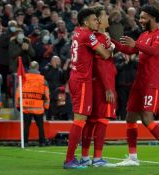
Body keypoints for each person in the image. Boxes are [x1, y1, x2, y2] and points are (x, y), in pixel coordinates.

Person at [111, 5, 159, 167]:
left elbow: (154, 51)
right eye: (140, 17)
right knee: (130, 118)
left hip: (151, 83)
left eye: (143, 17)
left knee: (147, 118)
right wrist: (110, 42)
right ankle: (133, 157)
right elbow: (129, 50)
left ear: (153, 18)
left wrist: (136, 44)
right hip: (139, 83)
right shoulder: (143, 35)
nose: (140, 20)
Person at [63, 8, 111, 169]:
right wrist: (110, 47)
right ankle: (69, 160)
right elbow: (104, 54)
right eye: (93, 19)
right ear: (85, 22)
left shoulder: (77, 32)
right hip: (82, 80)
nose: (97, 22)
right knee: (79, 121)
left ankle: (74, 158)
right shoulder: (87, 34)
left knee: (80, 120)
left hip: (76, 77)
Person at [80, 5, 117, 167]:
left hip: (96, 83)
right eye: (104, 16)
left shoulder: (100, 37)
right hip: (103, 85)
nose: (107, 18)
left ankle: (85, 157)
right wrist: (108, 87)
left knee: (91, 121)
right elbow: (101, 65)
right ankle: (97, 159)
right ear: (99, 21)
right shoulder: (100, 39)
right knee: (102, 121)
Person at [15, 61, 50, 147]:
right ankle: (42, 142)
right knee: (40, 126)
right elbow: (46, 94)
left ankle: (25, 142)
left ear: (29, 68)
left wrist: (18, 105)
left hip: (26, 106)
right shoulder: (43, 79)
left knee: (26, 126)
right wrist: (46, 106)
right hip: (38, 108)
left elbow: (18, 93)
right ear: (38, 68)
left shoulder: (23, 78)